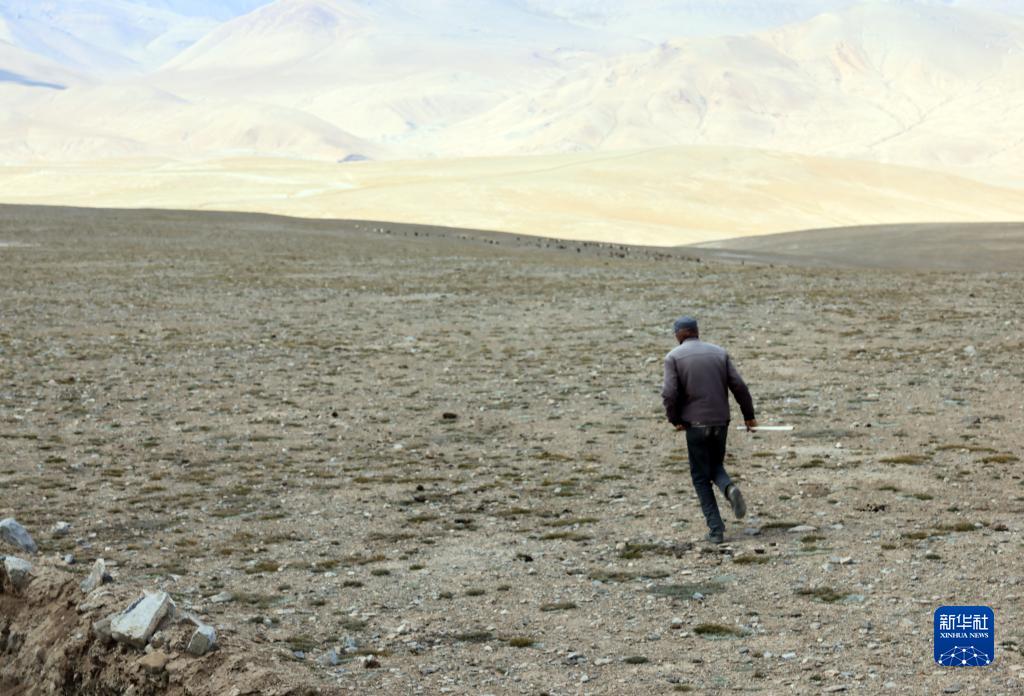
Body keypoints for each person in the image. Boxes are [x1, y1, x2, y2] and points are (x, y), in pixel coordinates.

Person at [661, 316, 757, 544]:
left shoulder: (673, 357)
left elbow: (669, 394)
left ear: (678, 334)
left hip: (695, 425)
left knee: (700, 476)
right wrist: (749, 415)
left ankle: (716, 530)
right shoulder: (719, 353)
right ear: (696, 331)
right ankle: (729, 488)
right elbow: (739, 386)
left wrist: (675, 420)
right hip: (720, 422)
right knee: (715, 465)